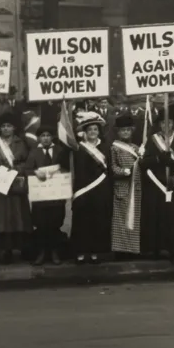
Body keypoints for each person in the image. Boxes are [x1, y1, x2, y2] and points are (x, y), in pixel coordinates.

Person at [141, 105, 174, 262]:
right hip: (156, 184)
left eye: (169, 122)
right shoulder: (152, 140)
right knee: (157, 217)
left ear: (172, 123)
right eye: (163, 123)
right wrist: (158, 159)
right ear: (159, 124)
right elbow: (144, 162)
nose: (166, 125)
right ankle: (156, 249)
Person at [0, 112, 31, 263]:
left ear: (14, 128)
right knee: (0, 218)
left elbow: (27, 162)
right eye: (3, 126)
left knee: (16, 217)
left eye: (9, 126)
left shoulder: (21, 143)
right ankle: (1, 250)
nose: (6, 129)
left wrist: (17, 170)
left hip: (16, 184)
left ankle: (16, 248)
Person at [71, 112, 113, 263]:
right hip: (83, 189)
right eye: (90, 130)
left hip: (101, 189)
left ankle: (95, 251)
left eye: (95, 129)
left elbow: (110, 168)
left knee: (98, 221)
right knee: (82, 222)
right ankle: (81, 251)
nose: (93, 132)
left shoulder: (106, 146)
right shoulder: (78, 148)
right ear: (85, 132)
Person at [26, 124, 70, 265]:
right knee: (41, 224)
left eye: (48, 136)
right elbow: (27, 169)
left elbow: (67, 168)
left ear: (52, 137)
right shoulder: (33, 152)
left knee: (55, 223)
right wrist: (34, 172)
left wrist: (59, 171)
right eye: (43, 136)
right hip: (40, 196)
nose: (45, 139)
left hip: (56, 194)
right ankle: (42, 252)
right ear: (39, 138)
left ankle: (54, 252)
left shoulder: (59, 150)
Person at [109, 114, 143, 256]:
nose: (125, 133)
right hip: (122, 186)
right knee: (121, 219)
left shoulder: (136, 147)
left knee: (134, 218)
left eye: (128, 130)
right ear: (118, 132)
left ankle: (132, 249)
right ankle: (120, 249)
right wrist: (123, 171)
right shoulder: (114, 148)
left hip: (135, 187)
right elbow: (112, 166)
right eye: (123, 130)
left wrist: (142, 156)